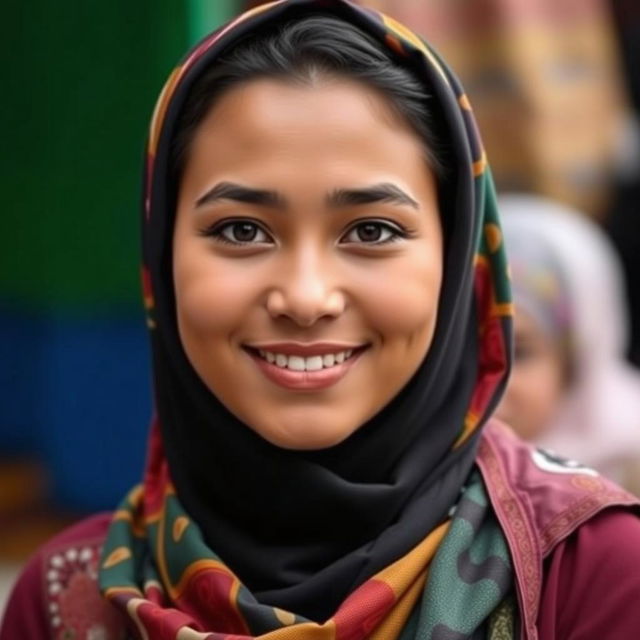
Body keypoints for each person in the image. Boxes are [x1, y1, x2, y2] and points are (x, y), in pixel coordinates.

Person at [2, 1, 639, 638]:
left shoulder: (592, 572)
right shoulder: (70, 600)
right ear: (161, 256)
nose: (306, 298)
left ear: (457, 260)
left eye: (371, 229)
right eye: (242, 229)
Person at [495, 194, 640, 493]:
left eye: (518, 353)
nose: (483, 381)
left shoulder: (629, 471)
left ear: (576, 362)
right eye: (458, 350)